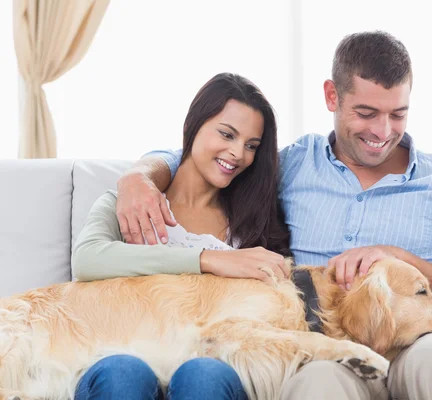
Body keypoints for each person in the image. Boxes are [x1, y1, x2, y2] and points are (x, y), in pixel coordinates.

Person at [116, 31, 432, 400]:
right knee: (318, 380)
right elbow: (209, 157)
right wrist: (139, 177)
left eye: (397, 114)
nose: (382, 131)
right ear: (331, 96)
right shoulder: (294, 166)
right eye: (366, 112)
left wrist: (400, 259)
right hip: (325, 346)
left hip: (424, 343)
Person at [71, 72, 292, 400]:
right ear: (193, 125)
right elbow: (87, 260)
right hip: (122, 355)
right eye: (227, 134)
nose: (237, 153)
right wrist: (209, 260)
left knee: (203, 374)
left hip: (212, 363)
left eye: (251, 146)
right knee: (122, 372)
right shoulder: (132, 203)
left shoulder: (252, 224)